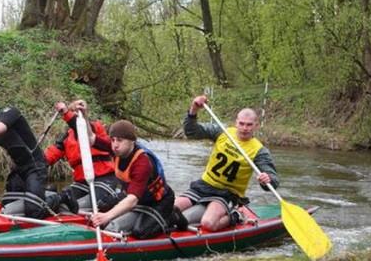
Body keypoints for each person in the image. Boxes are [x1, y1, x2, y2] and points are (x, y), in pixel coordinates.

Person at [175, 94, 279, 231]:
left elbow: (273, 181)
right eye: (241, 124)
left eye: (249, 125)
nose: (244, 128)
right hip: (203, 186)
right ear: (236, 123)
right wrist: (194, 110)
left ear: (256, 126)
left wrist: (267, 179)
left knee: (208, 223)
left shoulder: (259, 151)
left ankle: (236, 215)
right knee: (171, 209)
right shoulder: (222, 132)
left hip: (227, 194)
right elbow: (191, 131)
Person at [76, 102, 178, 239]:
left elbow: (132, 200)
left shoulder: (143, 163)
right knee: (104, 204)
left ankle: (172, 216)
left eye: (119, 140)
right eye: (112, 140)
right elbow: (90, 138)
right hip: (139, 199)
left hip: (159, 202)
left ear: (132, 141)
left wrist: (106, 216)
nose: (115, 145)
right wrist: (84, 115)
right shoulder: (116, 148)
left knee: (140, 232)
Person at [43, 100, 121, 214]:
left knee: (100, 203)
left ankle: (116, 204)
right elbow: (48, 157)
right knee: (64, 202)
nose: (75, 115)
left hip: (105, 178)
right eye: (73, 112)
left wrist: (66, 113)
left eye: (77, 112)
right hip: (82, 181)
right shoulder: (66, 138)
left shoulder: (94, 128)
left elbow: (82, 128)